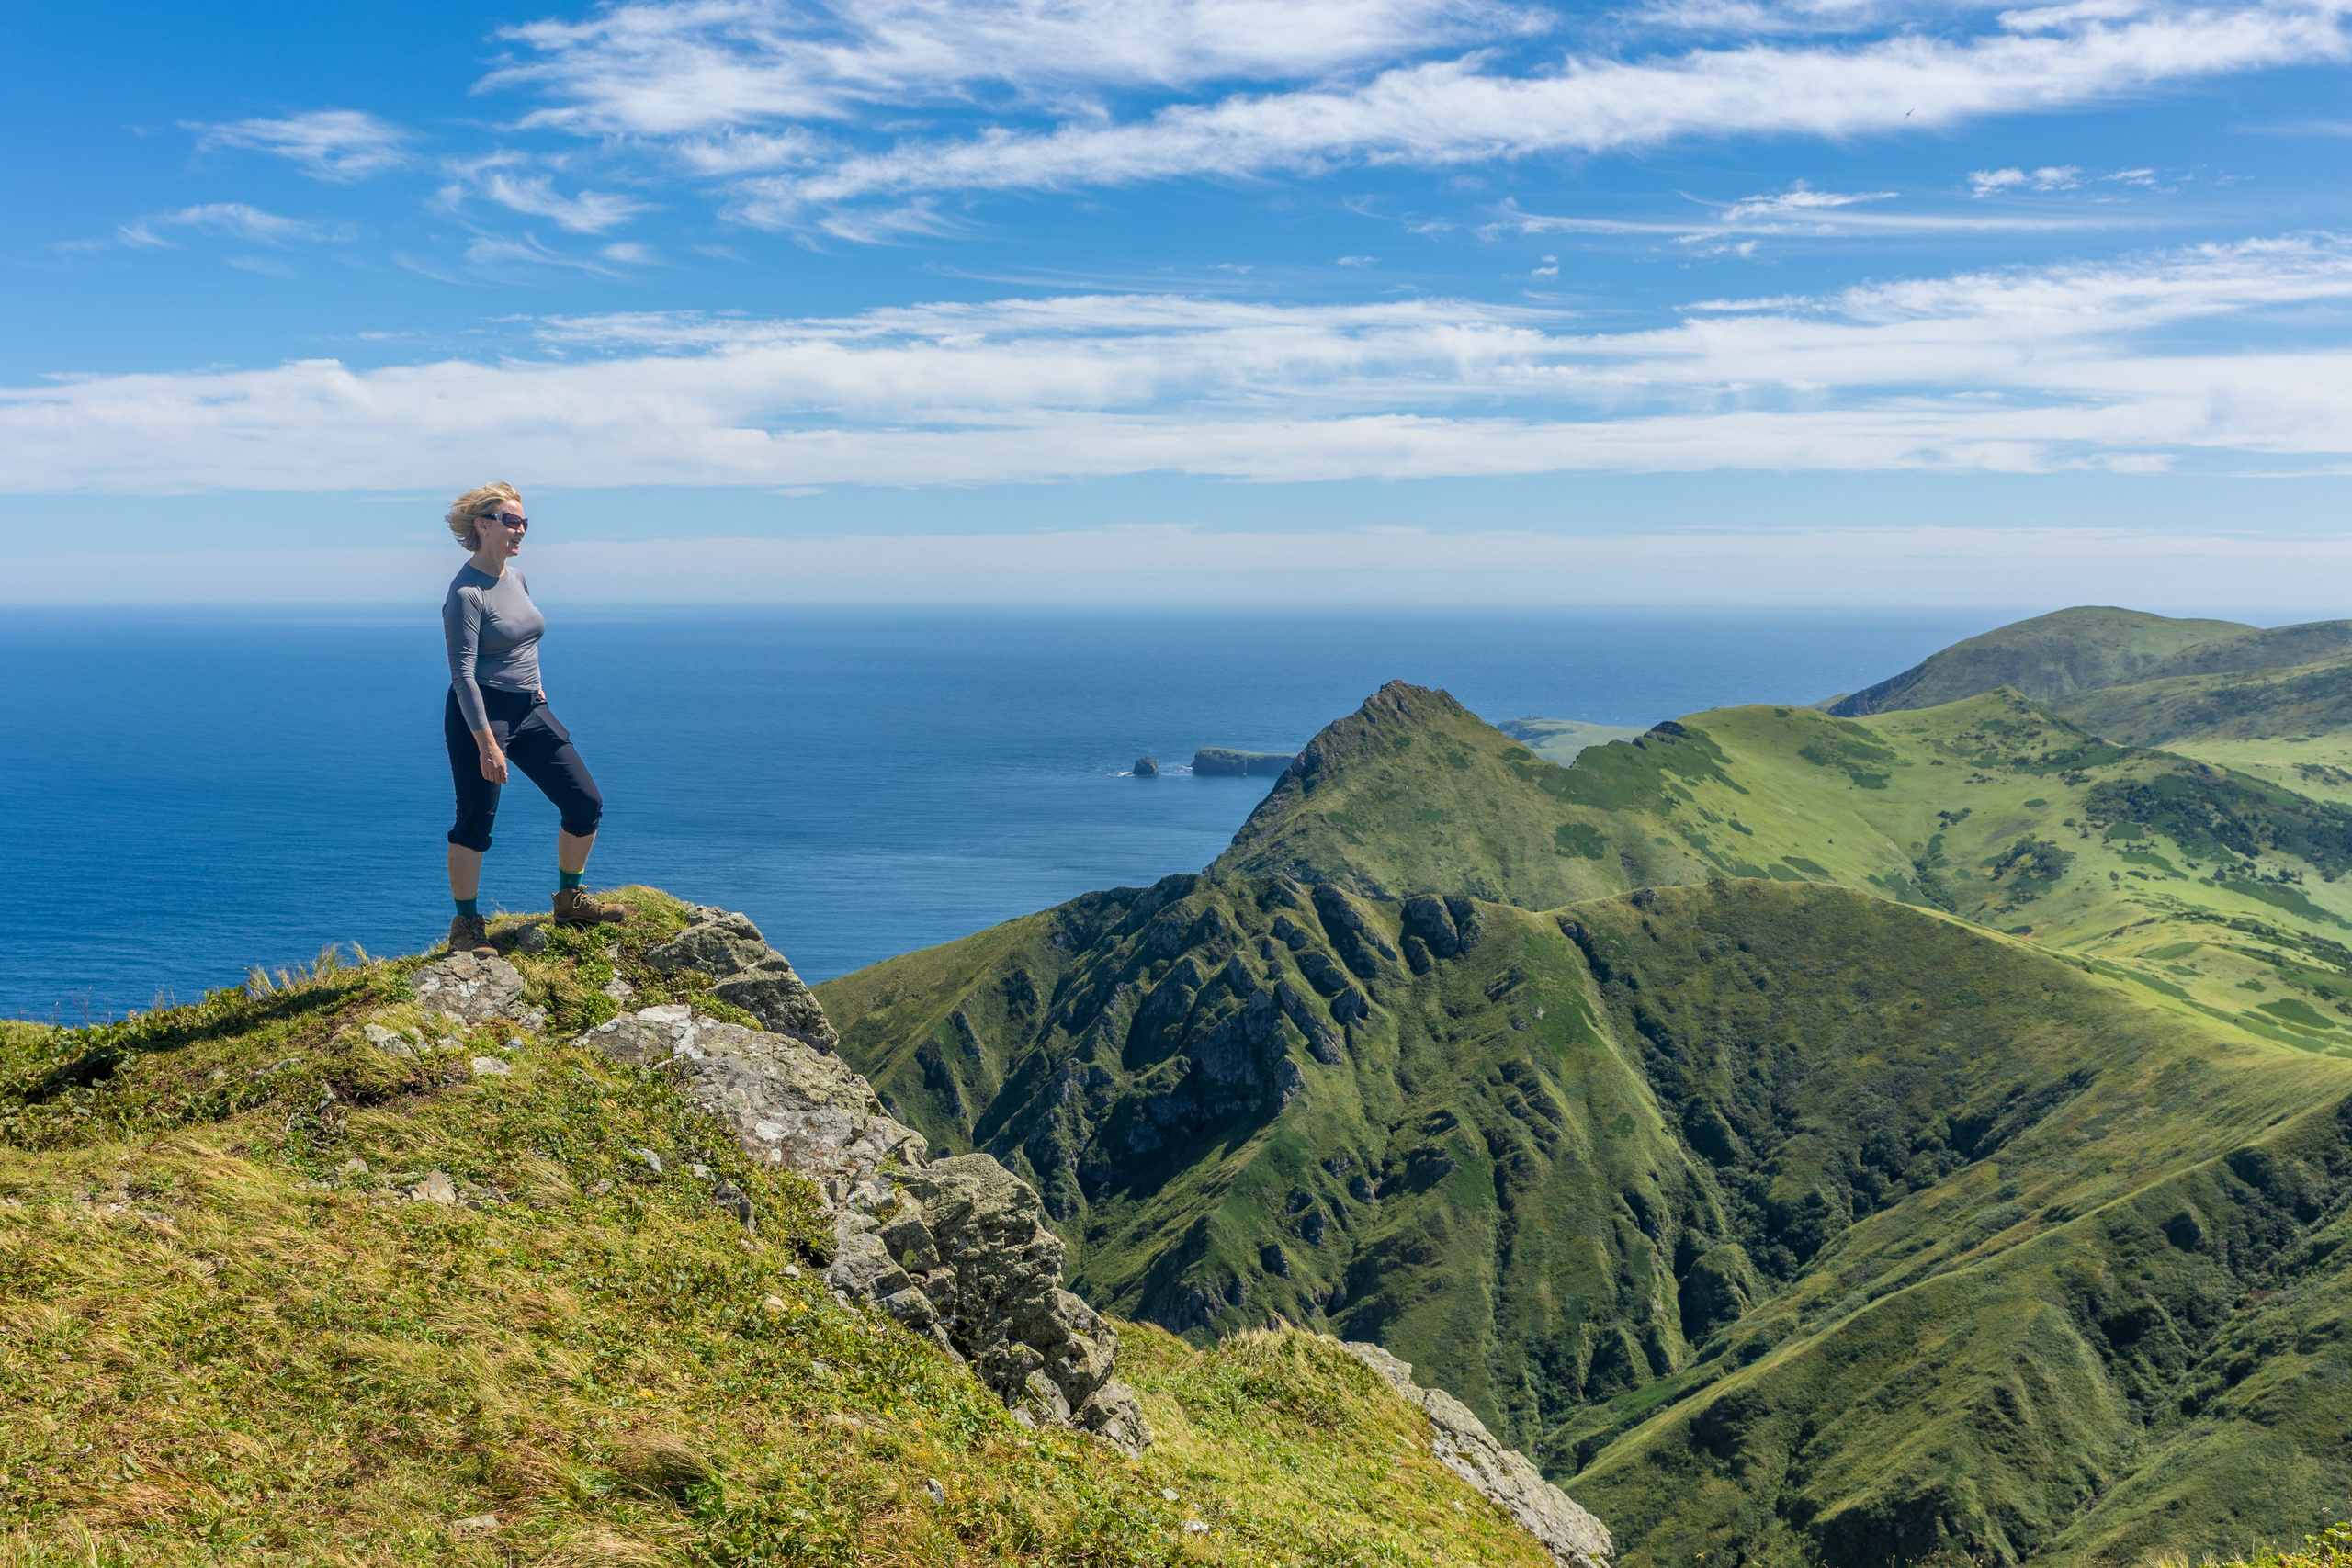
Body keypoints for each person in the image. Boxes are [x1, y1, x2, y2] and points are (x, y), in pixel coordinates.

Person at [440, 481, 628, 951]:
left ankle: (569, 900)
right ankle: (465, 927)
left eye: (524, 521)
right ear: (483, 526)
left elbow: (522, 639)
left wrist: (535, 686)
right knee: (475, 821)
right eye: (511, 520)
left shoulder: (516, 578)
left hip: (529, 708)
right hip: (482, 714)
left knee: (585, 803)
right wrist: (486, 743)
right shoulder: (465, 592)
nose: (520, 529)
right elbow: (463, 675)